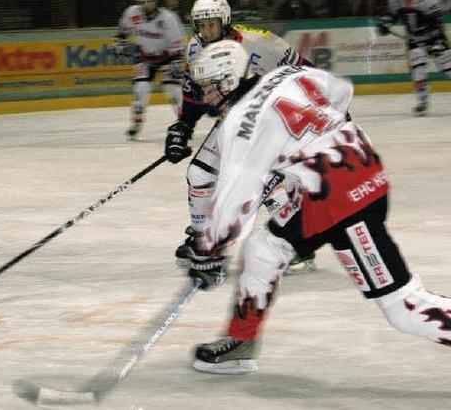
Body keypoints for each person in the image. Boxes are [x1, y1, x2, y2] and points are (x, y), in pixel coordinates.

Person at [182, 40, 451, 375]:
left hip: (342, 198)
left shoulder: (237, 124)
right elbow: (340, 91)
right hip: (352, 170)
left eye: (208, 88)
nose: (203, 96)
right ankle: (242, 340)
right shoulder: (285, 75)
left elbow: (235, 200)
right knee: (266, 248)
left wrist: (211, 252)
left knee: (404, 308)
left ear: (226, 82)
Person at [164, 0, 317, 274]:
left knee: (265, 179)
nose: (206, 31)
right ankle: (202, 238)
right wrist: (183, 126)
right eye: (201, 24)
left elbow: (305, 71)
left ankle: (299, 241)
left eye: (212, 24)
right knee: (199, 174)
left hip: (271, 121)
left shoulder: (259, 42)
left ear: (225, 21)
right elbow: (192, 91)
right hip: (234, 122)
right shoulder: (195, 48)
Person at [114, 0, 185, 141]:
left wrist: (177, 61)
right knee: (140, 89)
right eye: (143, 2)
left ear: (156, 1)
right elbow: (122, 32)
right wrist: (120, 43)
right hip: (144, 58)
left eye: (150, 1)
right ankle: (136, 123)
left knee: (173, 90)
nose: (147, 5)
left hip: (167, 57)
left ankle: (184, 123)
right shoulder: (132, 13)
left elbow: (178, 42)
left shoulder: (168, 18)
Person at [376, 0, 451, 116]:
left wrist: (437, 43)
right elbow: (390, 15)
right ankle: (422, 102)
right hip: (414, 40)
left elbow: (438, 21)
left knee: (448, 66)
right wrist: (384, 23)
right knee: (418, 71)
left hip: (434, 37)